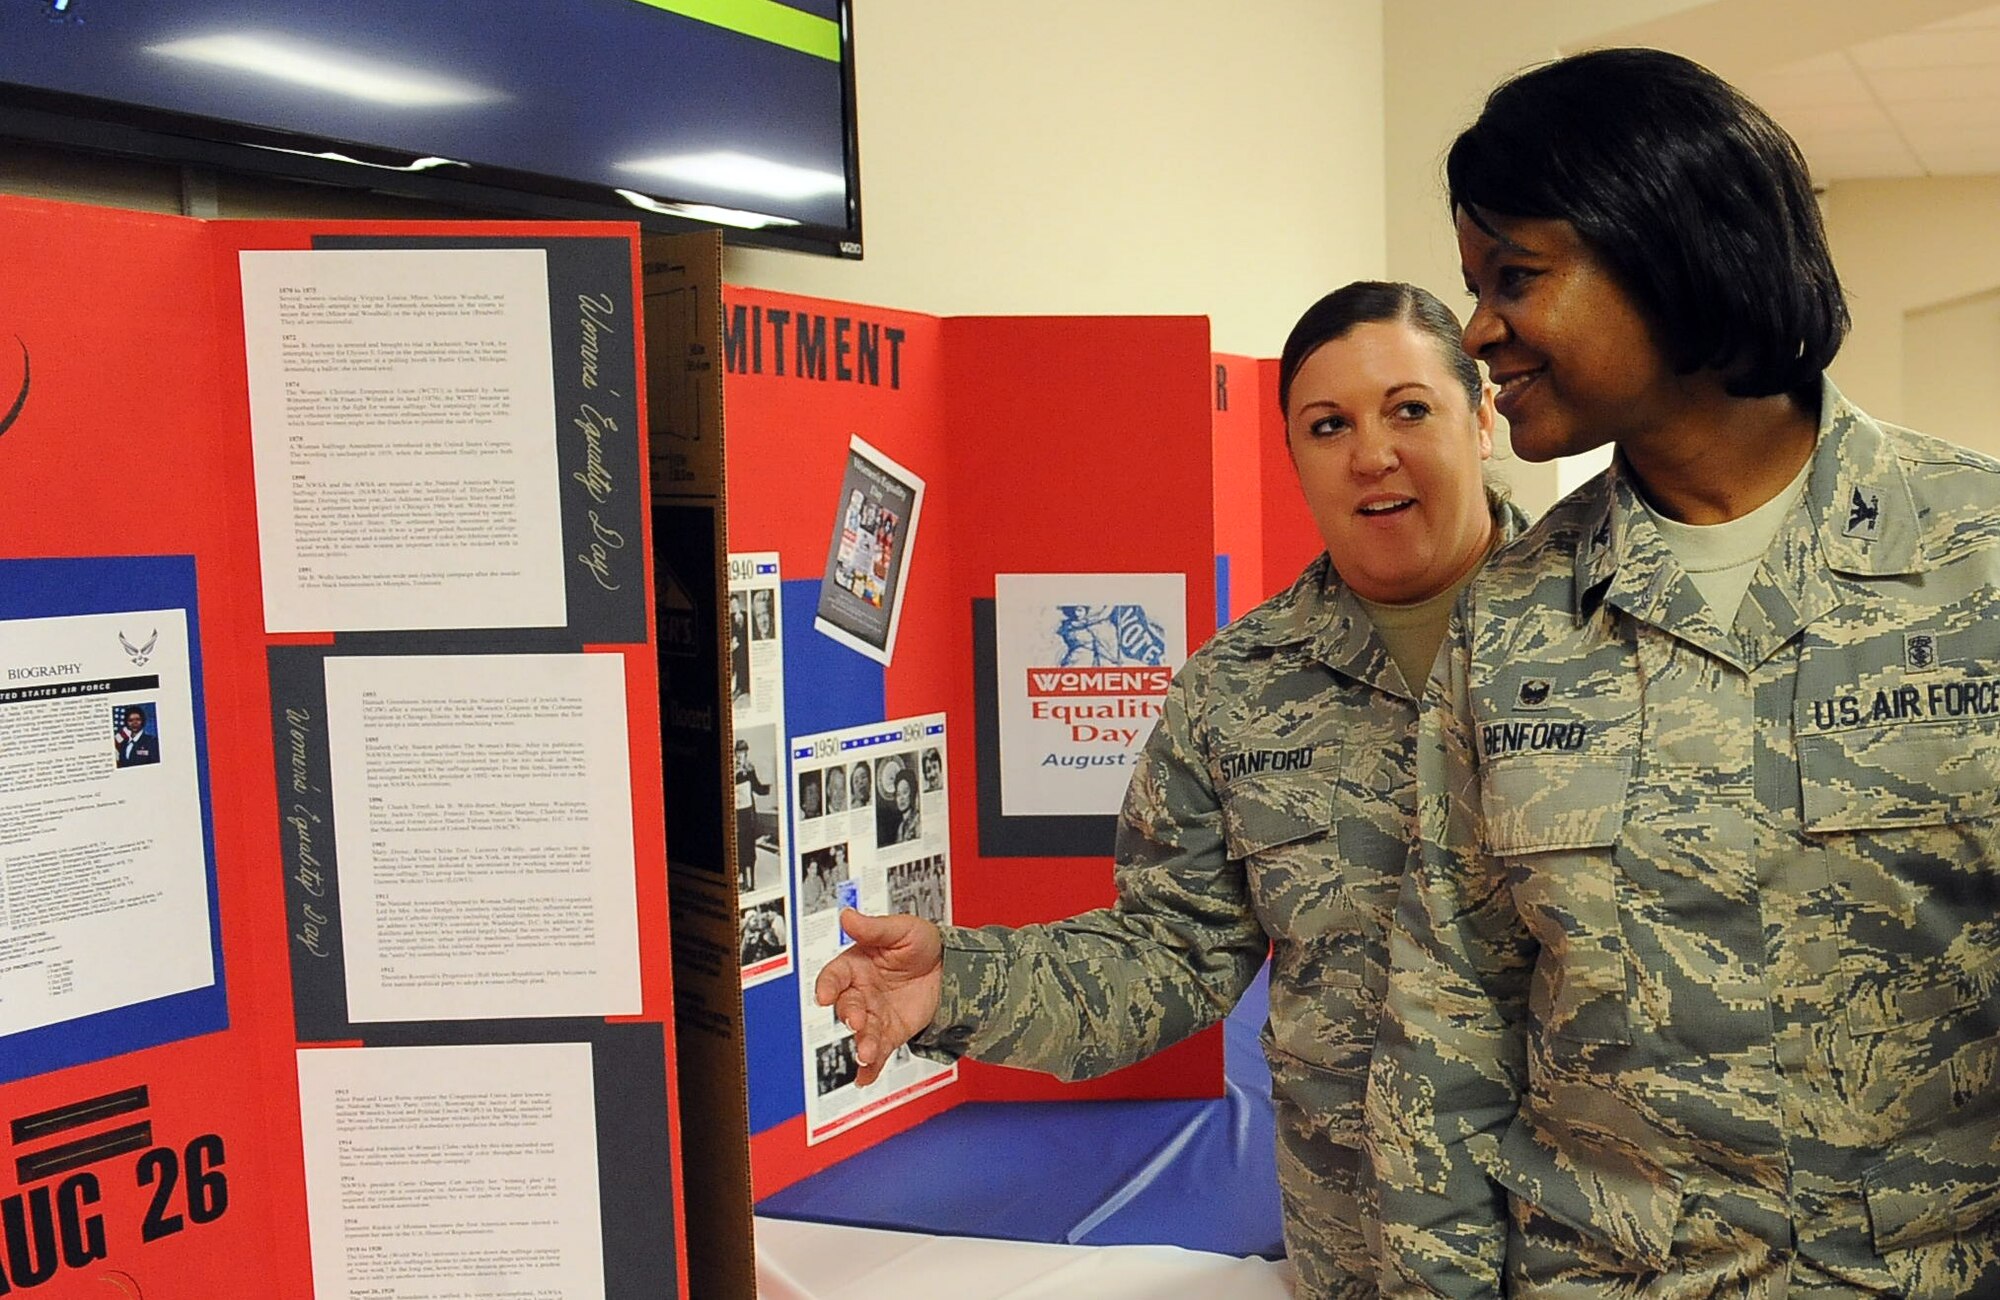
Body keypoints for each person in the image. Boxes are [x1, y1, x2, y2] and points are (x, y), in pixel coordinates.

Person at [1366, 48, 2000, 1300]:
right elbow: (1445, 1020)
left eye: (1515, 278)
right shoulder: (1510, 623)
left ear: (1669, 249)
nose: (1478, 330)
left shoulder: (1974, 564)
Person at [814, 281, 1529, 1300]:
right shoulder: (1234, 691)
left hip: (1594, 1254)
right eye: (1327, 426)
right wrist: (955, 985)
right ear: (1291, 457)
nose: (1370, 453)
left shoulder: (1615, 639)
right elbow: (1169, 955)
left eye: (1407, 408)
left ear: (1482, 417)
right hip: (1365, 1261)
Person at [733, 739, 771, 892]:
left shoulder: (750, 769)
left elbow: (757, 788)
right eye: (740, 752)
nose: (742, 755)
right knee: (739, 847)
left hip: (749, 816)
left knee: (750, 847)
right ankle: (742, 877)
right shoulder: (731, 770)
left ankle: (752, 881)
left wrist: (769, 787)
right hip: (737, 816)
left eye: (745, 752)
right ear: (735, 753)